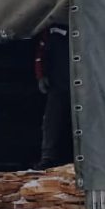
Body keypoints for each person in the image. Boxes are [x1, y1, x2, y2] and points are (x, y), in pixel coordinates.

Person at [35, 21, 73, 169]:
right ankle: (48, 158)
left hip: (84, 85)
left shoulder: (88, 21)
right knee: (52, 121)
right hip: (57, 83)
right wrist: (40, 75)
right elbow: (41, 52)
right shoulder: (52, 27)